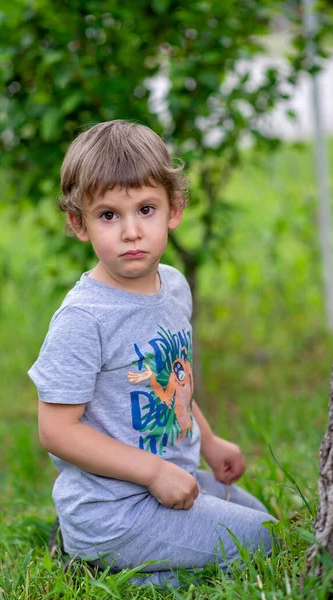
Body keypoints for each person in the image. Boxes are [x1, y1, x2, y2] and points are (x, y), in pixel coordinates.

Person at [28, 120, 276, 587]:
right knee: (259, 543)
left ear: (174, 209)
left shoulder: (173, 286)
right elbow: (56, 431)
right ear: (79, 223)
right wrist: (153, 471)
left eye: (145, 209)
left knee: (261, 520)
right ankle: (100, 567)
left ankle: (128, 555)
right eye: (108, 215)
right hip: (114, 508)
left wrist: (209, 440)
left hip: (165, 480)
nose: (130, 232)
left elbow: (170, 380)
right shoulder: (85, 318)